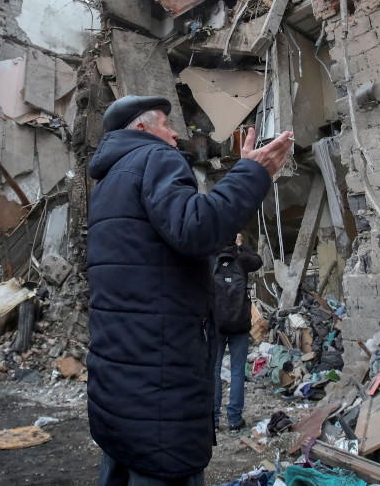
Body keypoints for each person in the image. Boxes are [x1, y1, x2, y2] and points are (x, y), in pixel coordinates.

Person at [86, 95, 293, 486]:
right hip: (160, 390)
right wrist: (253, 173)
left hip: (117, 389)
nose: (175, 132)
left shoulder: (107, 185)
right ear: (142, 129)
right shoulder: (155, 159)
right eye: (166, 123)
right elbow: (195, 230)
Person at [212, 233, 263, 433]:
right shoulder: (242, 259)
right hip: (240, 324)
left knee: (213, 371)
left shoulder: (211, 258)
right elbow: (257, 260)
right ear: (235, 238)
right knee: (237, 371)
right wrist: (242, 247)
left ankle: (213, 421)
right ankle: (234, 420)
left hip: (216, 325)